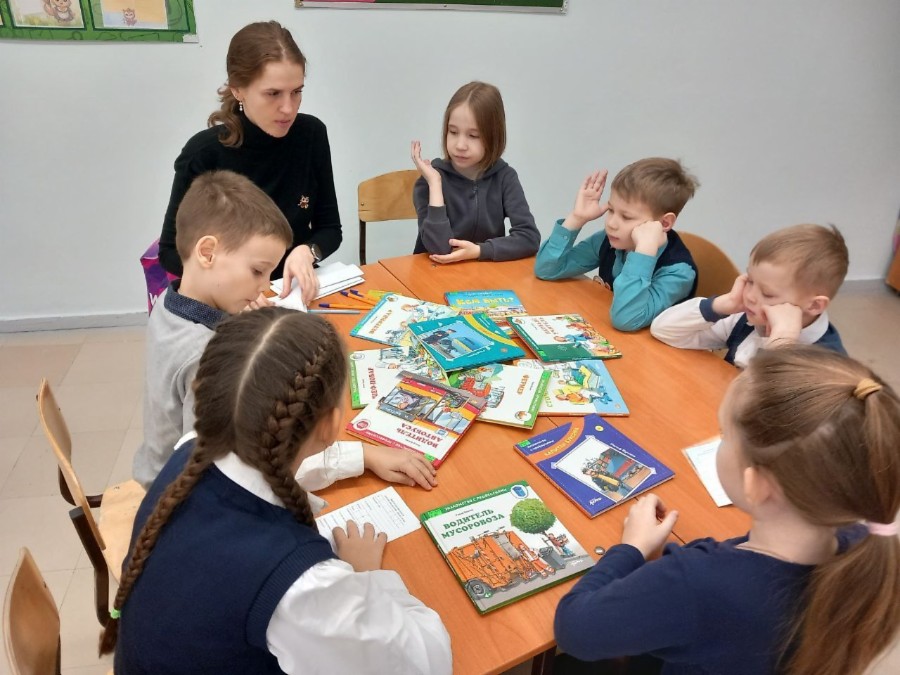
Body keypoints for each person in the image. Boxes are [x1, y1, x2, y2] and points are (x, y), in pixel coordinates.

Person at [102, 308, 452, 674]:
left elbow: (267, 464)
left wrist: (361, 456)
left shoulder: (192, 447)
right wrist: (367, 578)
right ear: (331, 424)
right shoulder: (301, 585)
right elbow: (425, 660)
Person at [554, 345, 900, 675]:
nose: (720, 442)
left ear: (756, 484)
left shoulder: (698, 582)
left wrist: (631, 548)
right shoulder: (868, 547)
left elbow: (574, 630)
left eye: (724, 435)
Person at [158, 20, 341, 305]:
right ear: (238, 90)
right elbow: (171, 252)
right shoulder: (204, 153)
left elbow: (330, 229)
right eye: (273, 94)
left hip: (292, 293)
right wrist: (233, 287)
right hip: (229, 299)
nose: (288, 108)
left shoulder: (311, 134)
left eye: (297, 92)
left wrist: (307, 252)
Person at [135, 170, 291, 489]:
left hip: (154, 468)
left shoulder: (168, 300)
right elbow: (215, 467)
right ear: (207, 253)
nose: (265, 286)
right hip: (177, 492)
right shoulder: (207, 356)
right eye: (258, 271)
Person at [534, 159, 699, 332]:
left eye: (626, 217)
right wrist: (576, 218)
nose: (611, 223)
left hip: (647, 347)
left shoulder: (678, 272)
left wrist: (643, 254)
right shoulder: (610, 240)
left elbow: (626, 320)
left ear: (664, 223)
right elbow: (546, 270)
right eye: (611, 210)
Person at [650, 223, 848, 367]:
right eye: (750, 281)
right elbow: (664, 330)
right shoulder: (746, 317)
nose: (750, 296)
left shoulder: (828, 365)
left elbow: (767, 403)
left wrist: (782, 342)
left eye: (768, 294)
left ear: (814, 306)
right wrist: (719, 305)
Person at [410, 81, 540, 264]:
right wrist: (435, 184)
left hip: (485, 274)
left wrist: (480, 251)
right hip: (434, 273)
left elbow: (529, 238)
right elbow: (439, 249)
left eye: (473, 136)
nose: (460, 145)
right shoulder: (429, 182)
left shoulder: (505, 177)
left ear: (493, 137)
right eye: (453, 132)